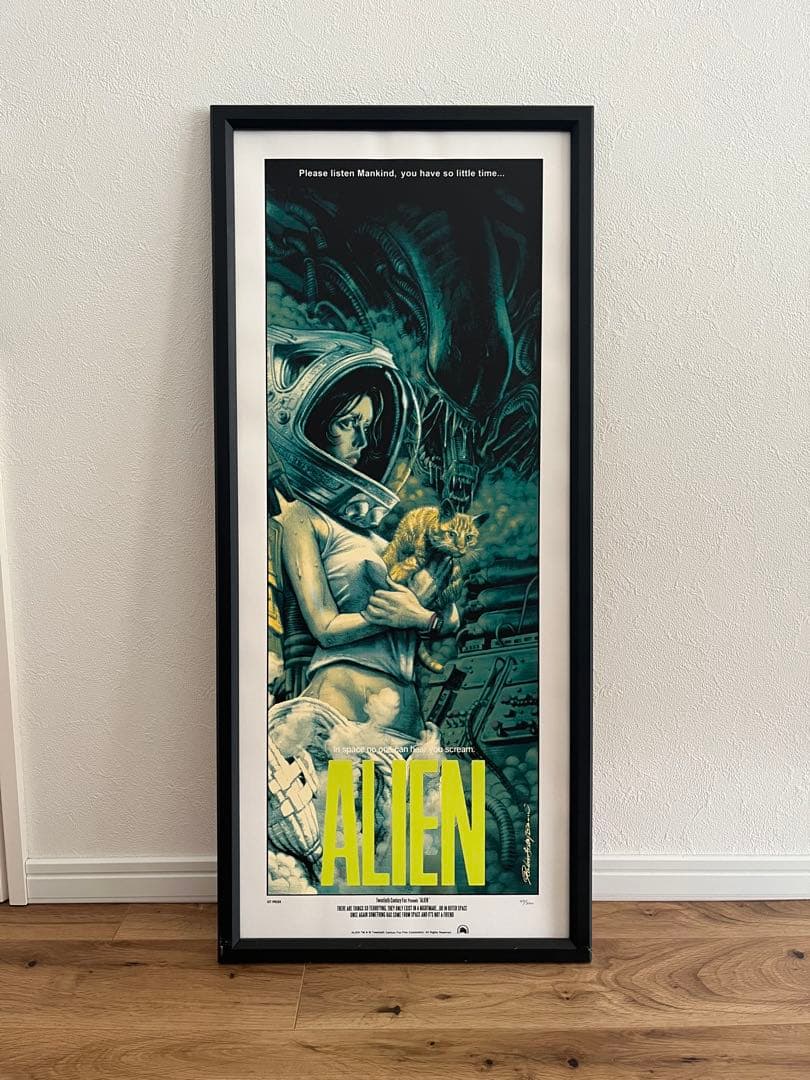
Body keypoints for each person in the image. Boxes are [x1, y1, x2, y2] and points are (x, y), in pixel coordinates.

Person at [278, 369, 439, 739]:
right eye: (349, 423)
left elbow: (436, 622)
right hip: (342, 715)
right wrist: (392, 616)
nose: (363, 440)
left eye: (366, 426)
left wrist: (426, 616)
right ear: (318, 426)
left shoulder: (377, 538)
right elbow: (325, 627)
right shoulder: (303, 518)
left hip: (406, 723)